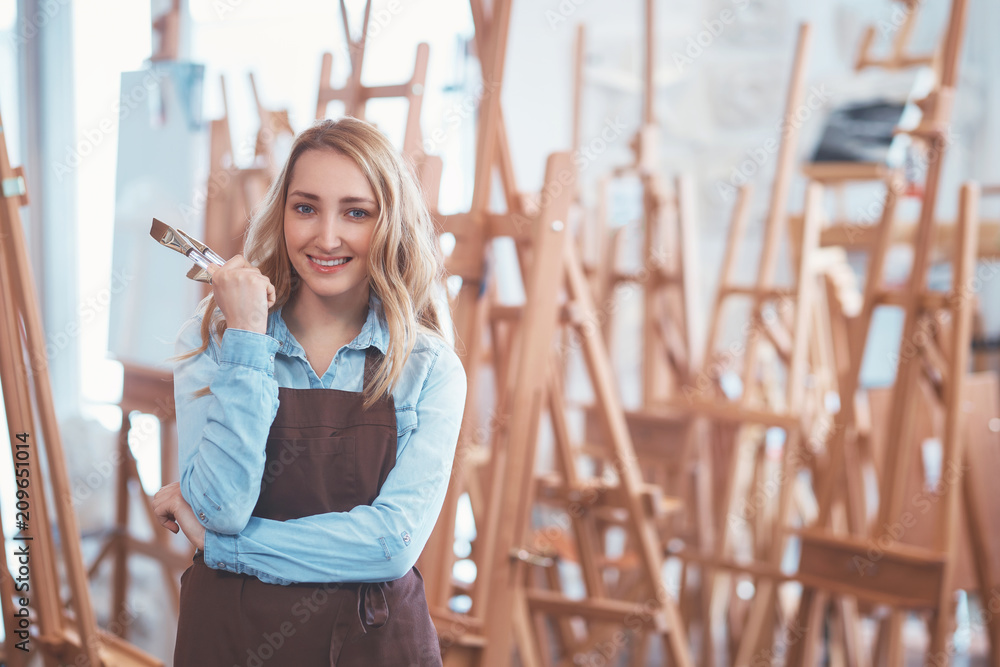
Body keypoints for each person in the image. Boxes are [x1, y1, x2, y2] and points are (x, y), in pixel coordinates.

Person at [152, 116, 466, 666]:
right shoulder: (215, 341)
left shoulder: (427, 366)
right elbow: (221, 508)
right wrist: (249, 338)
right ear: (282, 214)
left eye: (355, 212)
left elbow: (389, 545)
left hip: (375, 645)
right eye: (305, 208)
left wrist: (231, 550)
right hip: (230, 641)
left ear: (389, 223)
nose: (326, 237)